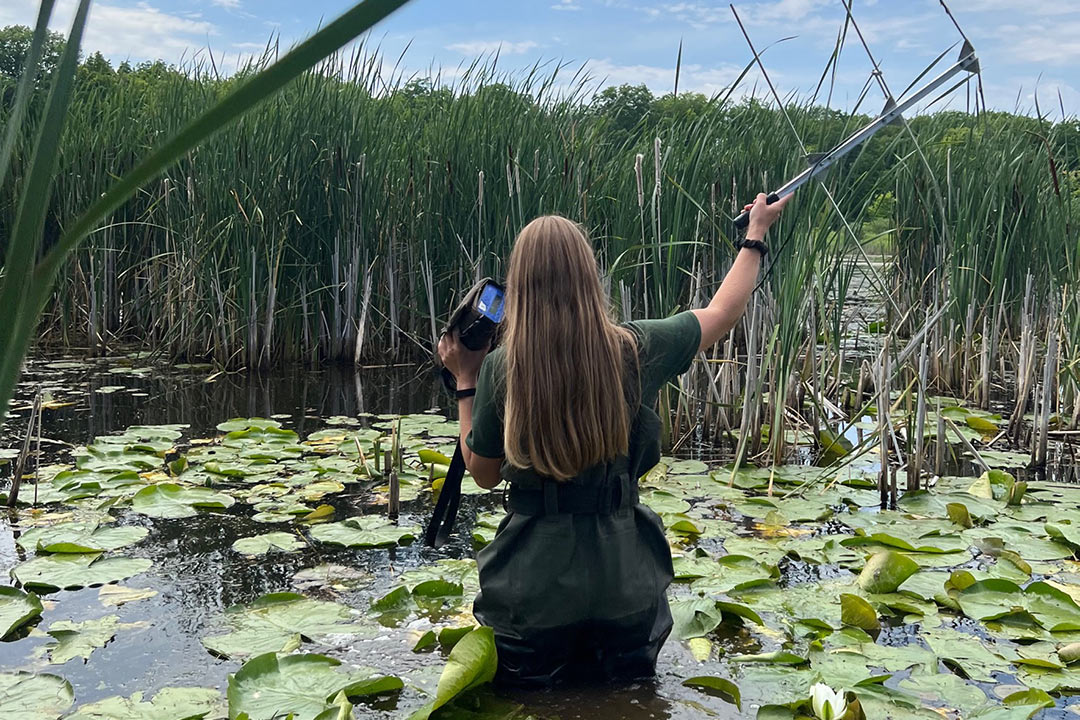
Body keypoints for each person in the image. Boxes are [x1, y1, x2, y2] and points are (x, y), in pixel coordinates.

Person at [437, 192, 789, 686]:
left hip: (534, 592)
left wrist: (466, 381)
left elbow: (483, 472)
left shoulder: (503, 368)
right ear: (588, 277)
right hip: (625, 583)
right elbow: (725, 312)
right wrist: (755, 234)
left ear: (521, 287)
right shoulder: (633, 348)